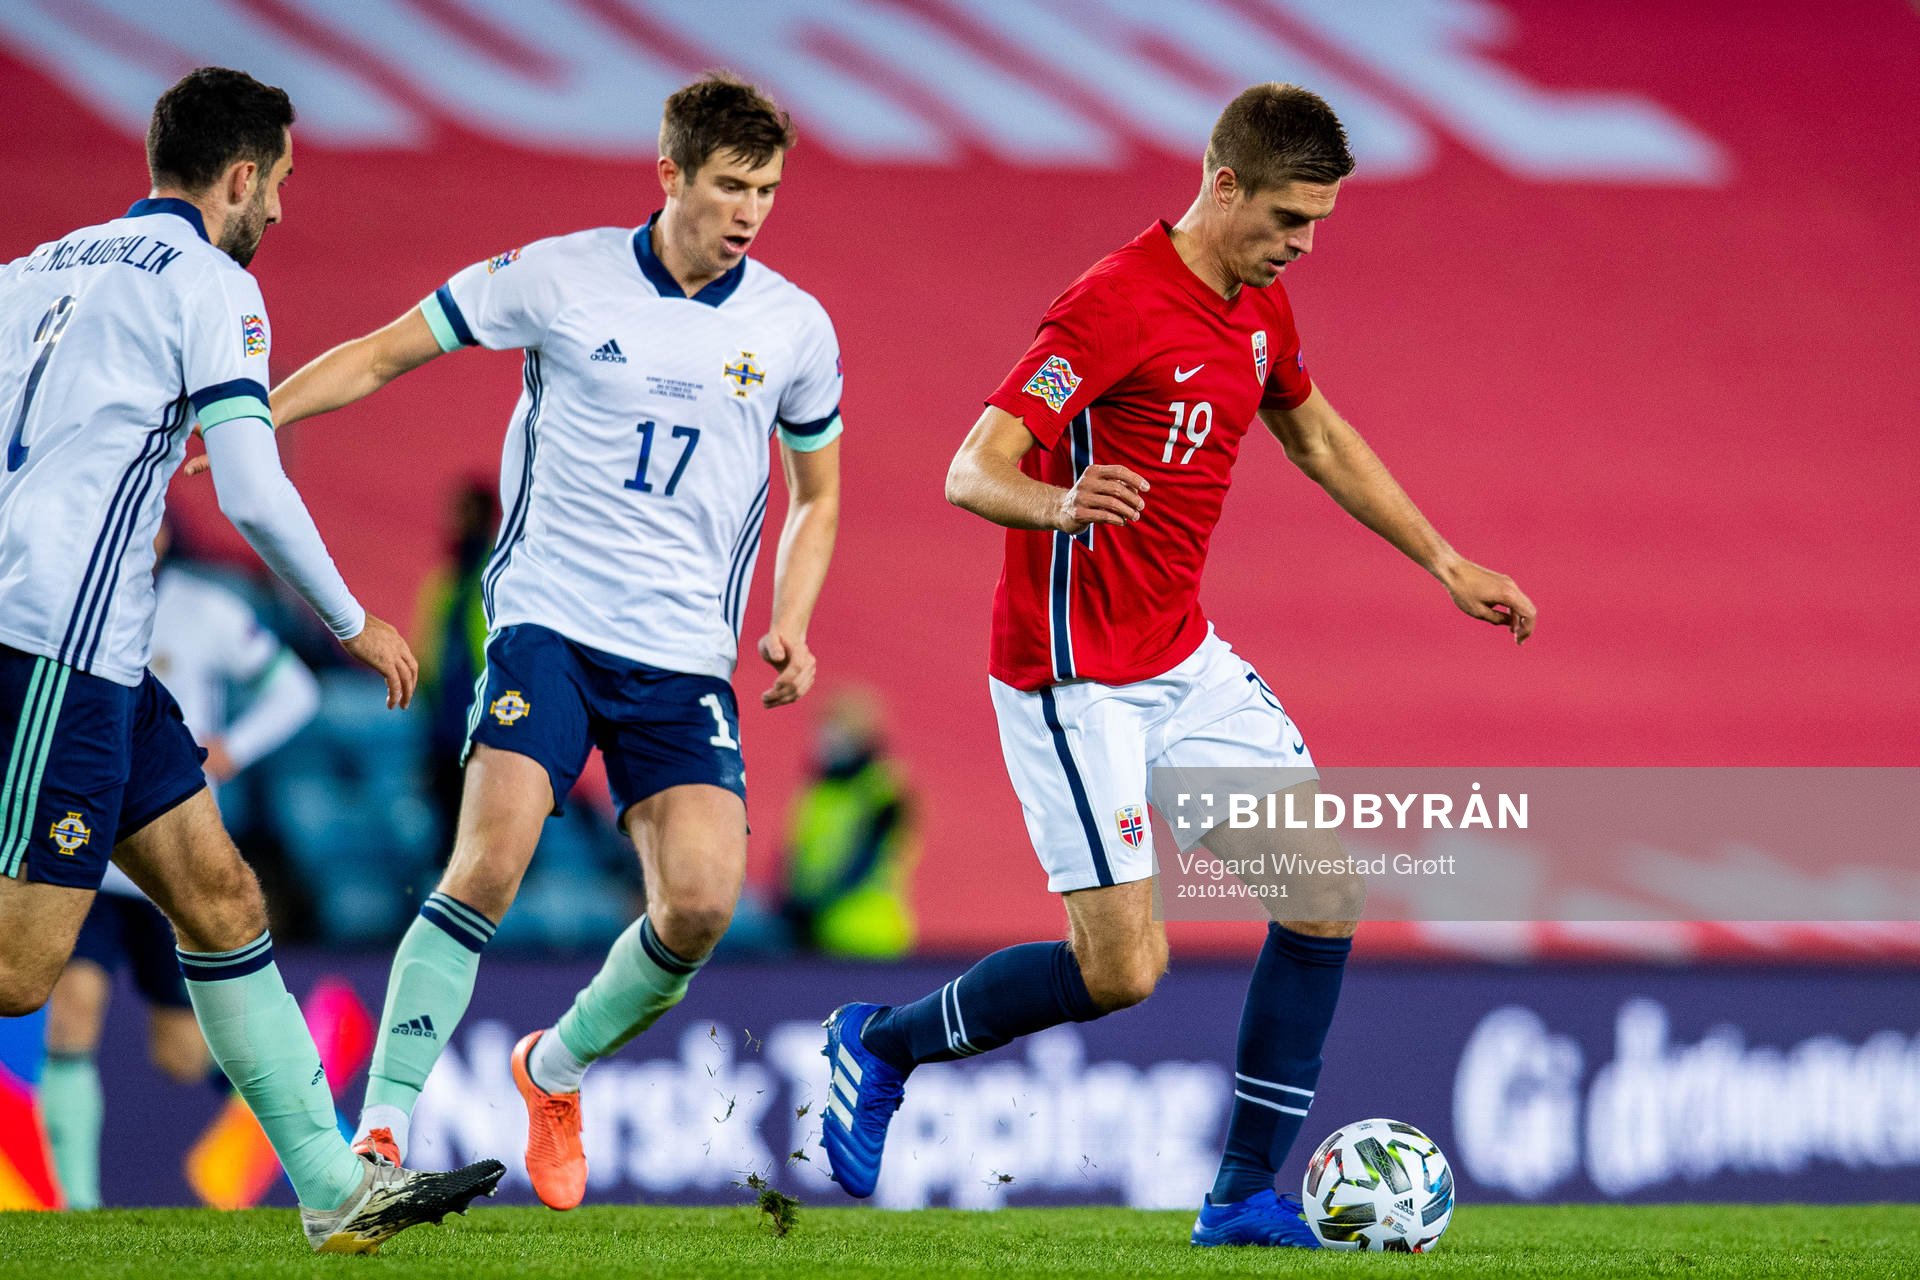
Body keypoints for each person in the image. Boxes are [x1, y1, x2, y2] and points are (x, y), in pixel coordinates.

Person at [820, 83, 1536, 1247]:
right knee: (1122, 969)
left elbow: (1309, 428)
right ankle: (882, 1040)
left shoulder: (1260, 309)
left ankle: (1243, 1193)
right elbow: (972, 466)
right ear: (1223, 186)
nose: (1302, 244)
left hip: (1179, 654)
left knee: (1324, 890)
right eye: (1289, 219)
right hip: (1072, 671)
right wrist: (1057, 502)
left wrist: (1444, 560)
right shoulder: (1109, 306)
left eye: (1316, 224)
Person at [262, 73, 843, 1211]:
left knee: (700, 905)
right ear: (669, 172)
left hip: (683, 658)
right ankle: (375, 1133)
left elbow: (818, 493)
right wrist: (256, 417)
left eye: (767, 190)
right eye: (730, 185)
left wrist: (793, 616)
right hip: (548, 625)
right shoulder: (557, 275)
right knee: (489, 861)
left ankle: (554, 1066)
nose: (750, 211)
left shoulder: (794, 327)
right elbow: (387, 351)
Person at [0, 66, 502, 1250]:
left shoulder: (32, 272)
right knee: (22, 971)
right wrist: (352, 620)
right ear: (240, 176)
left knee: (222, 896)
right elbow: (253, 485)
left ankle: (334, 1188)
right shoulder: (212, 284)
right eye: (278, 182)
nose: (279, 207)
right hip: (53, 642)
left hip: (103, 655)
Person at [39, 525, 322, 1211]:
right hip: (87, 853)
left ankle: (321, 1147)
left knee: (184, 1054)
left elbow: (297, 690)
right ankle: (78, 1212)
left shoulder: (206, 609)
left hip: (170, 864)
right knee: (72, 1011)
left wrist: (234, 746)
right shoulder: (61, 603)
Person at [778, 687, 916, 959]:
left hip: (868, 936)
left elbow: (865, 860)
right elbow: (795, 857)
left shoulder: (882, 789)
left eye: (836, 729)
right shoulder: (819, 790)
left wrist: (813, 905)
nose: (826, 739)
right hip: (813, 937)